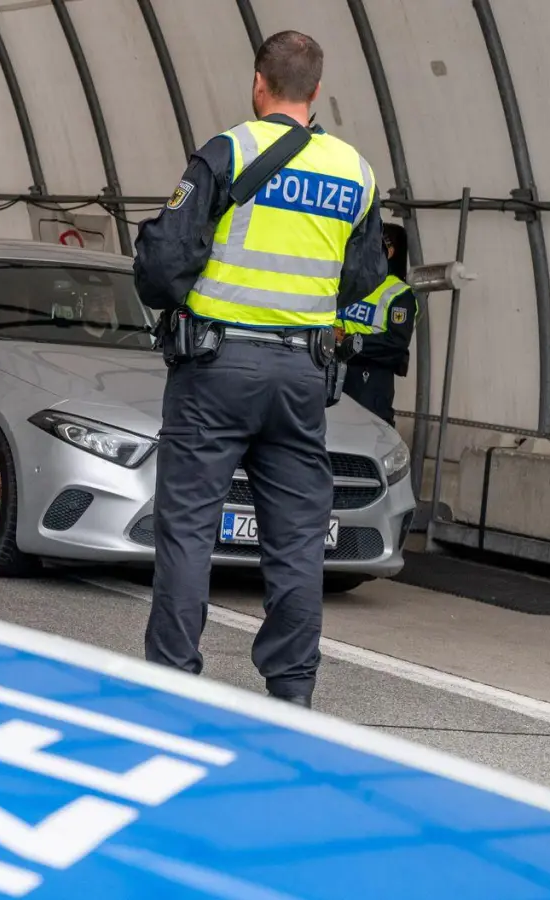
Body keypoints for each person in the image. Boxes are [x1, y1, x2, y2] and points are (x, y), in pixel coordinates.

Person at [131, 30, 388, 709]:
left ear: (258, 83)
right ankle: (292, 691)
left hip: (216, 367)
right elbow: (364, 277)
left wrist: (187, 294)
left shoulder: (229, 150)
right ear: (317, 91)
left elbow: (162, 266)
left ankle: (172, 677)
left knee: (188, 524)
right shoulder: (355, 172)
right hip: (303, 373)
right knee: (299, 538)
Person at [336, 222, 417, 425]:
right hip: (332, 371)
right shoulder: (346, 281)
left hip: (369, 379)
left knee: (368, 431)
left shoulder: (398, 293)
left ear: (390, 252)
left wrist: (349, 341)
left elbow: (395, 344)